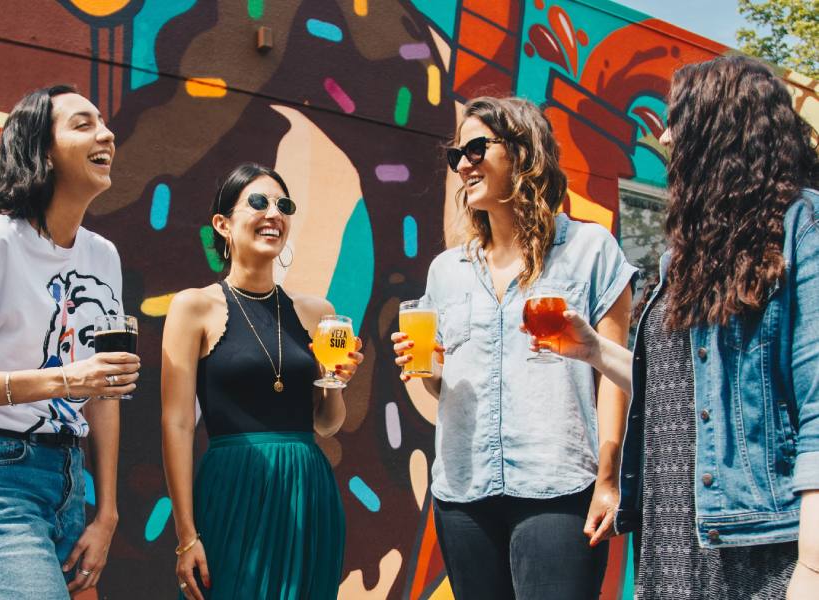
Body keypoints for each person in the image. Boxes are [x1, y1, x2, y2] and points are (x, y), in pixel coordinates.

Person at [526, 55, 819, 598]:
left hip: (757, 548)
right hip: (672, 536)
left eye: (676, 120)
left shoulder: (802, 228)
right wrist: (593, 349)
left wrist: (813, 567)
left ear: (720, 128)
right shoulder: (683, 258)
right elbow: (679, 395)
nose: (663, 136)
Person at [391, 97, 637, 598]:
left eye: (478, 147)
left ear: (524, 153)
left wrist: (609, 480)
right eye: (456, 154)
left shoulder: (591, 251)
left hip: (560, 488)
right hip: (463, 492)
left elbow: (615, 378)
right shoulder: (446, 271)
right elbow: (450, 387)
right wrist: (427, 371)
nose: (463, 163)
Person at [0, 85, 140, 599]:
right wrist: (64, 379)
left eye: (103, 122)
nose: (105, 132)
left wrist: (106, 513)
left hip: (68, 479)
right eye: (82, 124)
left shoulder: (102, 256)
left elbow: (105, 391)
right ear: (42, 151)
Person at [161, 163, 363, 600]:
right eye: (258, 202)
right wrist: (186, 534)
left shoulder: (320, 312)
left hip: (307, 490)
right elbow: (176, 424)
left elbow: (327, 424)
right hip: (233, 488)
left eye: (283, 205)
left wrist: (336, 381)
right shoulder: (193, 307)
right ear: (223, 224)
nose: (274, 213)